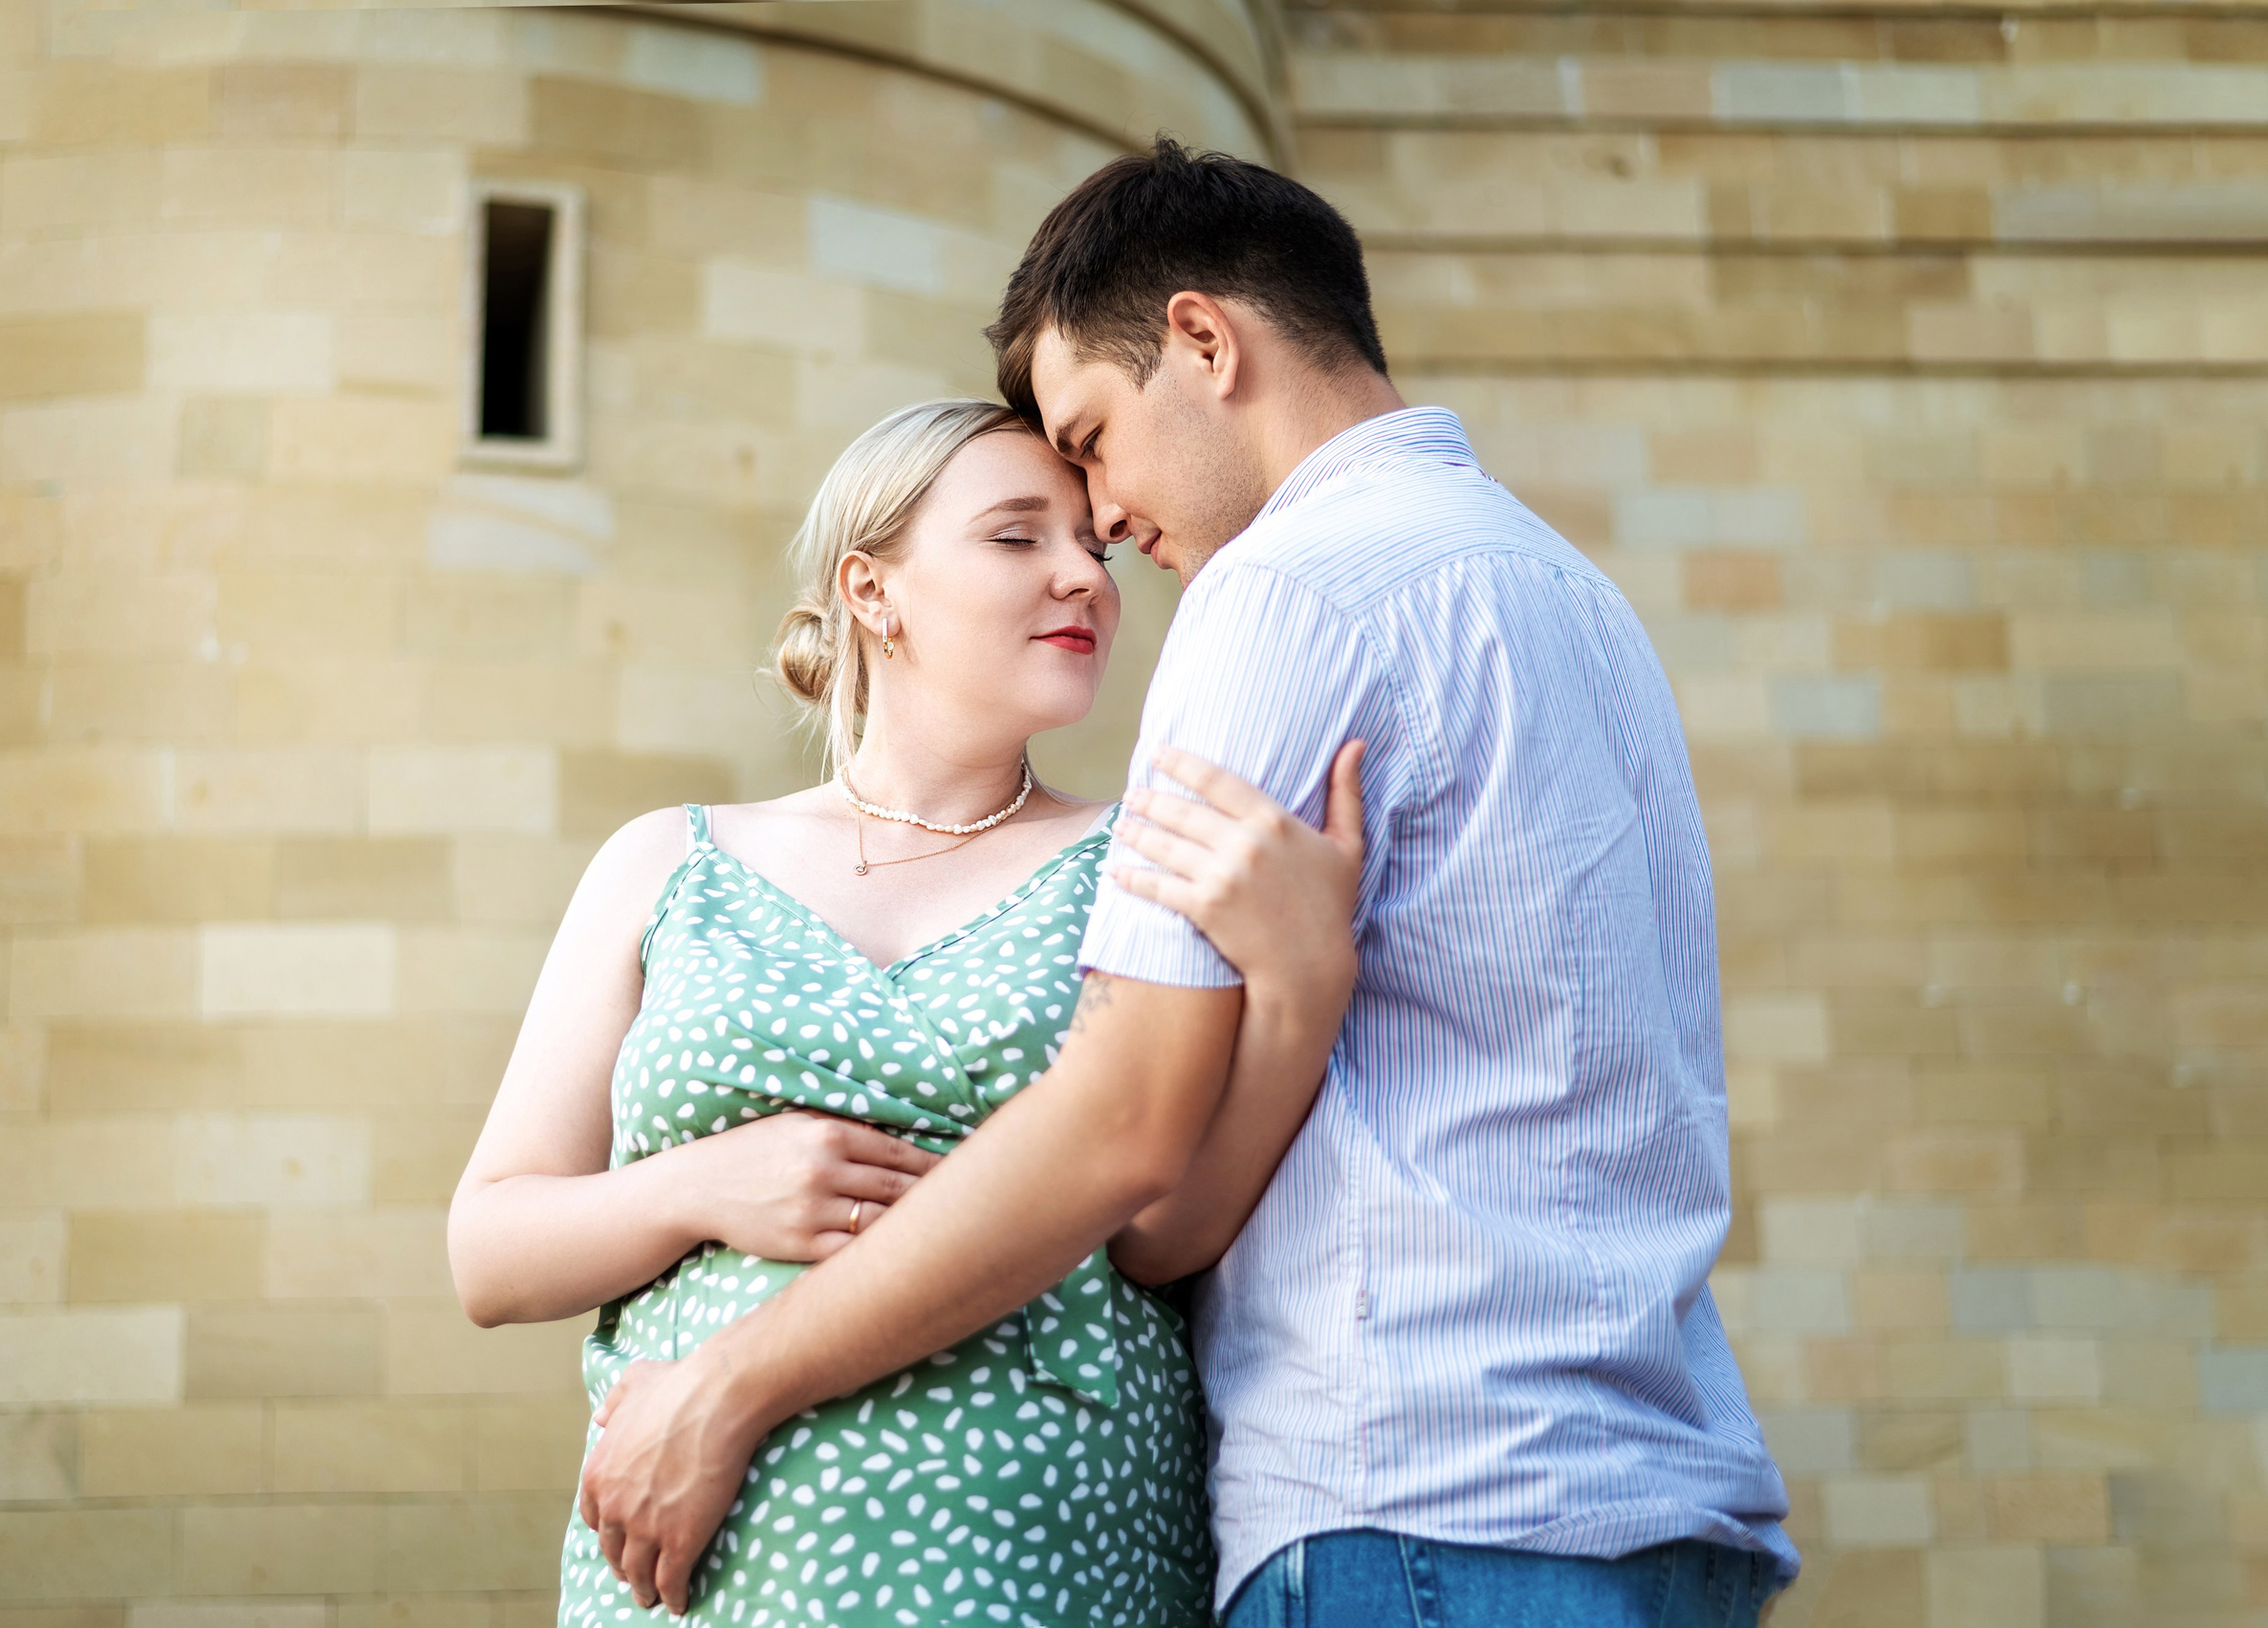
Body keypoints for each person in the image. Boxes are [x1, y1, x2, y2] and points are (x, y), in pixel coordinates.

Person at [577, 141, 1801, 1628]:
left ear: (1205, 342)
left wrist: (731, 1385)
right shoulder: (1575, 596)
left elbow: (1124, 1127)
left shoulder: (1280, 590)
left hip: (1417, 1500)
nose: (1104, 524)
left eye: (1089, 440)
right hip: (1657, 1506)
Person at [447, 397, 1369, 1628]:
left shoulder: (1144, 858)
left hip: (1046, 1553)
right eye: (1015, 538)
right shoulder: (665, 863)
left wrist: (1306, 989)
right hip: (701, 1573)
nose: (1082, 576)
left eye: (1093, 547)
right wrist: (702, 1183)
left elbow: (1164, 1228)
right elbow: (490, 1252)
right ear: (872, 591)